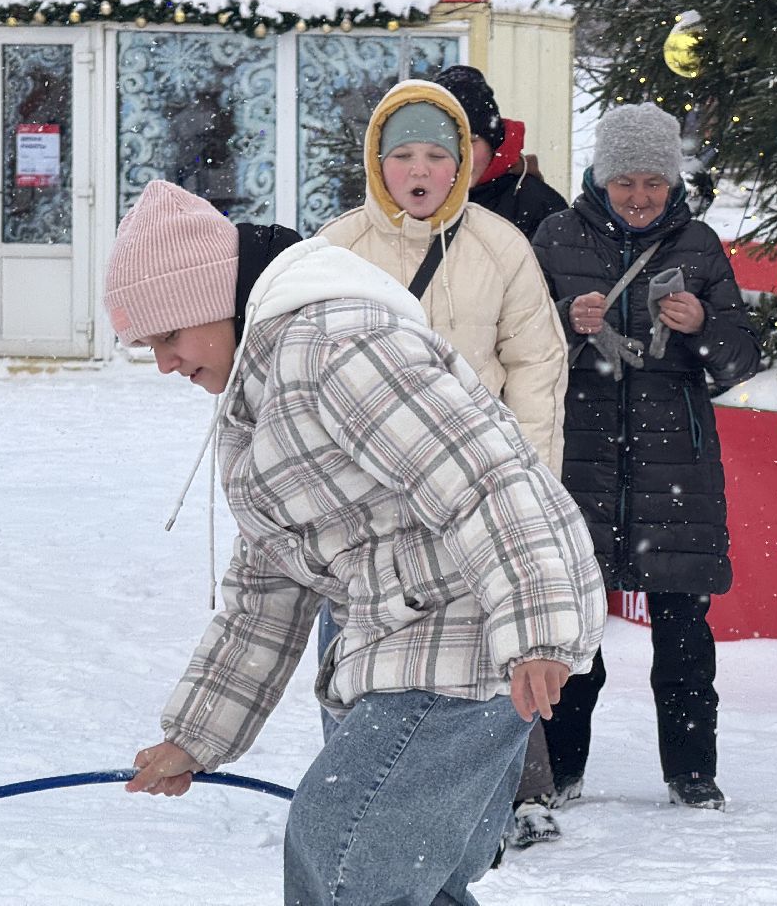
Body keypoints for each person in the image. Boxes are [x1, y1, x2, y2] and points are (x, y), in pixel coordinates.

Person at [110, 179, 604, 906]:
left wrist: (535, 626)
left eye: (168, 337)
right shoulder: (259, 399)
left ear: (214, 301)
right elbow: (265, 596)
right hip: (414, 630)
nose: (164, 363)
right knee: (397, 879)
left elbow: (481, 477)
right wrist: (196, 735)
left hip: (471, 624)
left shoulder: (334, 348)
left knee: (345, 861)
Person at [316, 76, 571, 852]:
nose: (419, 171)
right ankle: (348, 810)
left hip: (475, 497)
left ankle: (482, 816)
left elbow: (536, 367)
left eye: (436, 155)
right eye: (403, 156)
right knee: (353, 657)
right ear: (377, 161)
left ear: (462, 163)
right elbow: (303, 366)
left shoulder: (501, 247)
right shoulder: (335, 250)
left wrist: (527, 484)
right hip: (364, 502)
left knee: (485, 669)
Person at [530, 102, 761, 812]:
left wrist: (702, 325)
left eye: (653, 182)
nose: (638, 196)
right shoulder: (556, 237)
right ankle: (560, 769)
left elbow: (740, 359)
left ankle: (692, 774)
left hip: (676, 470)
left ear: (673, 182)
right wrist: (565, 325)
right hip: (579, 465)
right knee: (574, 634)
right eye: (624, 181)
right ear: (600, 177)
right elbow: (520, 346)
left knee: (684, 638)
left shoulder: (699, 246)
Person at [433, 64, 568, 238]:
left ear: (493, 144)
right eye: (447, 142)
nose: (461, 155)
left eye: (471, 142)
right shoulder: (412, 200)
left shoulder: (539, 206)